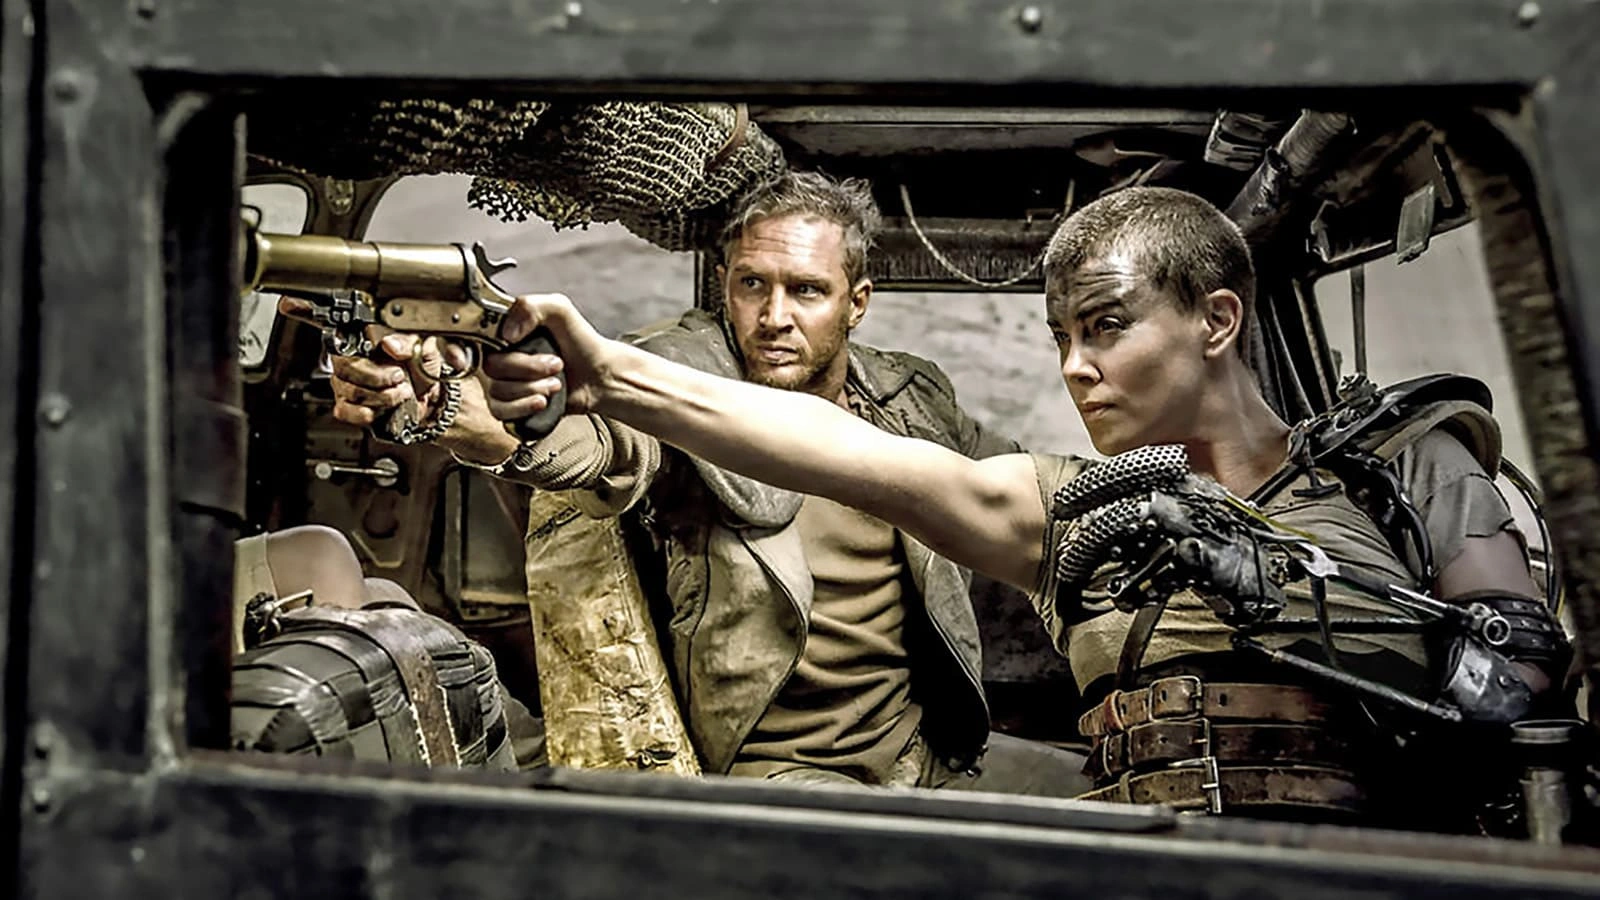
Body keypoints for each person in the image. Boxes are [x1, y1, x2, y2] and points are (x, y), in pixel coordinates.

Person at [478, 185, 1569, 825]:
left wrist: (1276, 587)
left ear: (1218, 321)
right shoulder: (1089, 510)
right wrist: (609, 377)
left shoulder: (1401, 467)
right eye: (1060, 338)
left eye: (1105, 327)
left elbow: (1515, 691)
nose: (1074, 368)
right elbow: (851, 454)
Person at [324, 170, 1091, 794]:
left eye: (806, 290)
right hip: (780, 774)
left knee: (1114, 804)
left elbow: (1029, 491)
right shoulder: (683, 385)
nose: (773, 316)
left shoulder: (910, 396)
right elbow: (591, 440)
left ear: (857, 303)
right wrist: (447, 405)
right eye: (752, 285)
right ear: (724, 284)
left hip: (929, 755)